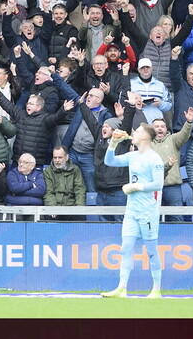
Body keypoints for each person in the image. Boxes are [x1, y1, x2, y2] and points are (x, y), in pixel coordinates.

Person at [100, 123, 165, 299]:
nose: (133, 133)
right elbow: (109, 161)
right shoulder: (132, 156)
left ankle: (156, 290)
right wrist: (113, 143)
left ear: (144, 136)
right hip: (131, 210)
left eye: (137, 131)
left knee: (151, 251)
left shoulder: (154, 159)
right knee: (125, 248)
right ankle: (122, 288)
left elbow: (158, 184)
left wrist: (136, 186)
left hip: (148, 211)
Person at [42, 146, 87, 221]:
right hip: (55, 208)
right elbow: (48, 192)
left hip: (71, 208)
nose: (57, 160)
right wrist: (52, 206)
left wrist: (79, 206)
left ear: (66, 157)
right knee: (48, 216)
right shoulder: (47, 171)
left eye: (60, 157)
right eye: (55, 157)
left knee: (81, 216)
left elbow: (79, 189)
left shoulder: (75, 170)